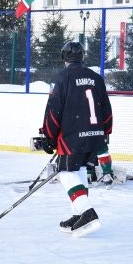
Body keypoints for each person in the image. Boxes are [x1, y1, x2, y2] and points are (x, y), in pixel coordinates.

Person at [41, 40, 113, 237]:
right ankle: (78, 214)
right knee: (80, 170)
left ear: (64, 57)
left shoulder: (61, 78)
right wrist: (104, 132)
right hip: (95, 135)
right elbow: (106, 109)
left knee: (65, 172)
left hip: (72, 135)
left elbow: (54, 111)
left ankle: (87, 211)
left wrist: (48, 135)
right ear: (82, 56)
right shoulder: (96, 78)